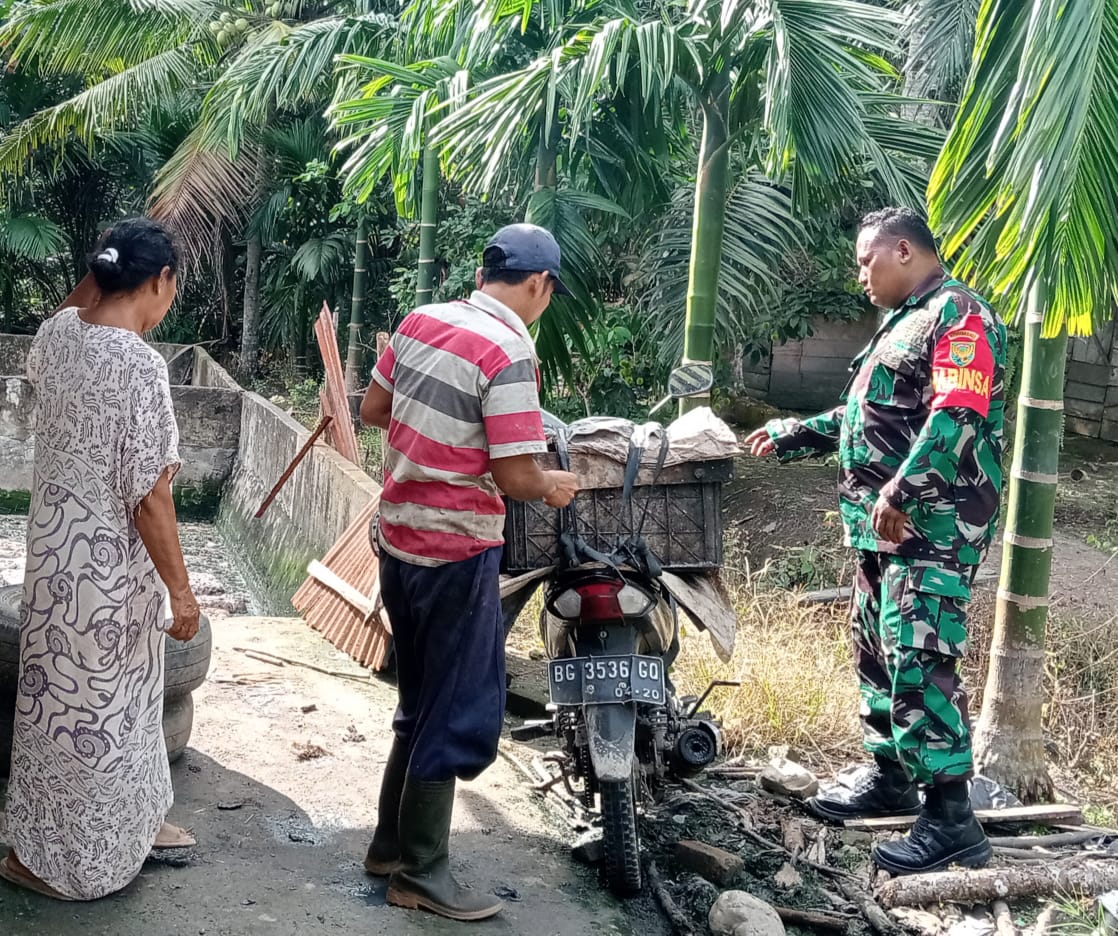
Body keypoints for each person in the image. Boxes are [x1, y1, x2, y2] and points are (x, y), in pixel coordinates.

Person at [745, 207, 1007, 875]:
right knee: (877, 651)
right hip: (882, 530)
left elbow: (957, 414)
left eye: (867, 261)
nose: (860, 275)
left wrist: (903, 491)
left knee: (919, 658)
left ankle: (951, 821)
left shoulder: (959, 315)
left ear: (904, 251)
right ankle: (891, 778)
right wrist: (793, 433)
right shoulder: (905, 321)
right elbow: (870, 414)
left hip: (932, 527)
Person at [359, 223, 579, 921]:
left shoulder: (420, 320)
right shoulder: (509, 350)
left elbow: (372, 409)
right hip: (456, 550)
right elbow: (515, 476)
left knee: (418, 699)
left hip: (398, 540)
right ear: (539, 284)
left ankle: (388, 845)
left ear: (484, 274)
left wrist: (435, 440)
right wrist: (551, 485)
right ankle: (421, 873)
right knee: (454, 709)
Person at [2, 218, 202, 900]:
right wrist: (183, 592)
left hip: (54, 569)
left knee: (60, 714)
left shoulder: (60, 336)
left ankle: (121, 827)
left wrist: (104, 264)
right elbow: (151, 497)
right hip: (109, 583)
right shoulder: (141, 367)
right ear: (161, 280)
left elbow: (69, 310)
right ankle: (60, 863)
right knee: (101, 719)